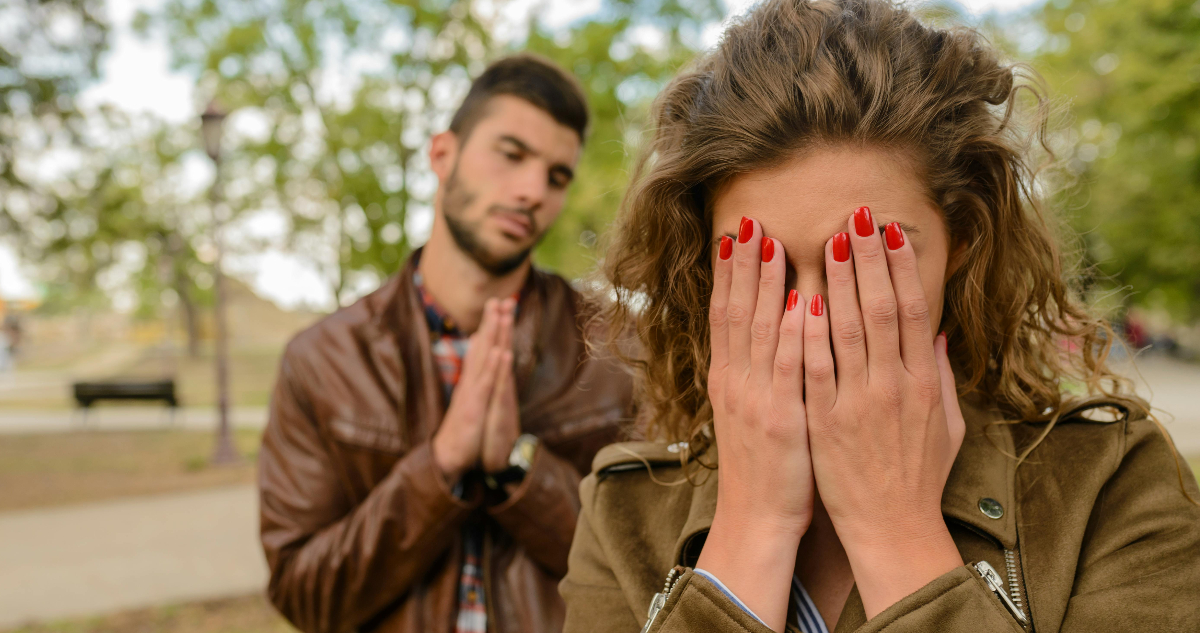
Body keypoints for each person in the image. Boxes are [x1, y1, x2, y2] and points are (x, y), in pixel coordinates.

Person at [560, 1, 1200, 632]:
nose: (815, 320)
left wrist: (895, 532)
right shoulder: (624, 514)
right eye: (766, 269)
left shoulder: (1109, 486)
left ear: (960, 252)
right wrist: (752, 531)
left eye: (863, 263)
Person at [259, 54, 634, 633]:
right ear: (443, 155)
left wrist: (519, 463)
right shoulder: (323, 360)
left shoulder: (617, 349)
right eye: (512, 155)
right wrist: (440, 464)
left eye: (557, 176)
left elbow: (652, 577)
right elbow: (308, 599)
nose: (534, 190)